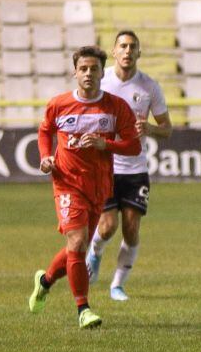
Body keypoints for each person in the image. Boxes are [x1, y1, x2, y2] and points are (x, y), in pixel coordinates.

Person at [28, 46, 140, 328]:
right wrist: (45, 158)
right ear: (75, 72)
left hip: (99, 186)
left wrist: (106, 144)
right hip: (67, 182)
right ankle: (83, 309)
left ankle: (44, 281)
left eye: (94, 69)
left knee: (75, 249)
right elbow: (45, 131)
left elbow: (133, 145)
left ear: (104, 72)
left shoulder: (116, 107)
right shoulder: (59, 104)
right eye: (83, 69)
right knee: (77, 242)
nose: (88, 73)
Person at [85, 30, 173, 301]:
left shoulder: (149, 87)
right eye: (122, 46)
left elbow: (167, 129)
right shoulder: (102, 79)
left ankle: (117, 285)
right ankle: (95, 253)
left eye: (132, 47)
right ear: (114, 52)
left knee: (131, 228)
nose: (127, 51)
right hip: (106, 165)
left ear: (138, 53)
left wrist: (149, 128)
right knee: (108, 226)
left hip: (136, 168)